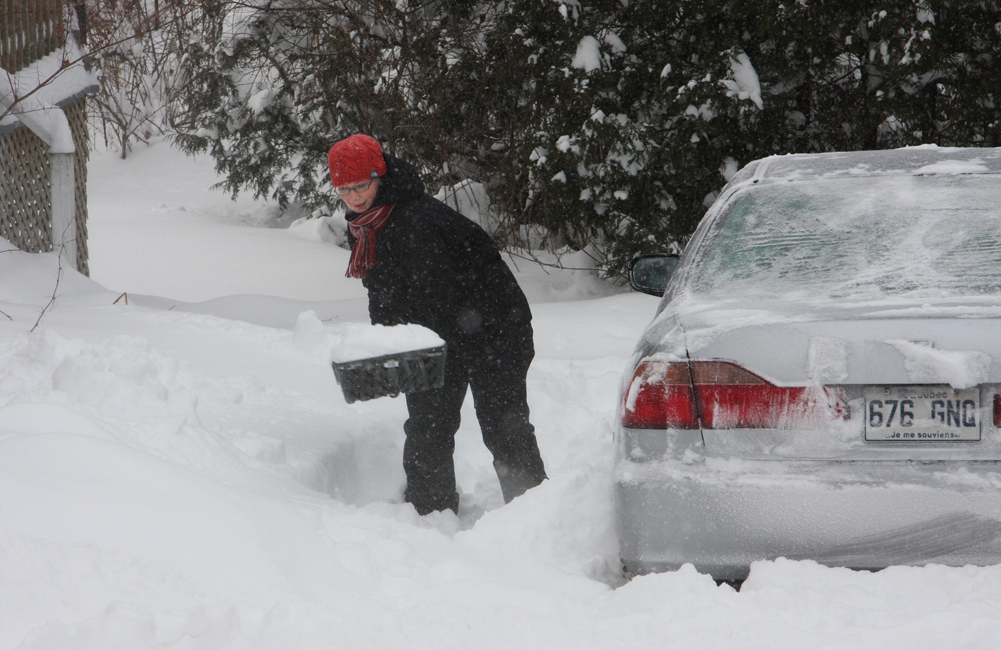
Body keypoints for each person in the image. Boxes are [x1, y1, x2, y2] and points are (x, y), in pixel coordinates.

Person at [328, 134, 547, 515]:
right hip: (443, 329)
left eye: (361, 185)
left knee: (503, 426)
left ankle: (536, 518)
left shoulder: (414, 220)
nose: (354, 197)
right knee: (429, 426)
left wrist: (410, 348)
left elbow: (435, 295)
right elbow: (384, 291)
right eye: (344, 189)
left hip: (496, 328)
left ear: (380, 176)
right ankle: (430, 516)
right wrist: (384, 343)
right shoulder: (368, 223)